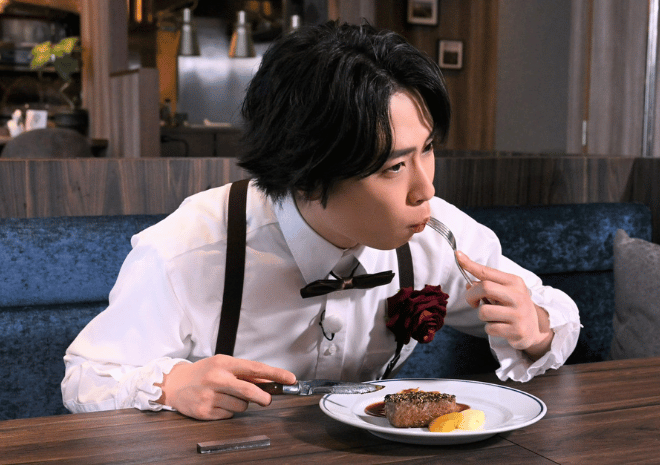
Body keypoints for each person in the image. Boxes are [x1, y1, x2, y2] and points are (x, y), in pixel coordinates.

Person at [62, 21, 580, 421]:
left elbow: (555, 312)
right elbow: (86, 377)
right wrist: (173, 385)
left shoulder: (436, 232)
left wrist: (534, 328)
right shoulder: (189, 250)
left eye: (428, 150)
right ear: (310, 172)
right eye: (394, 167)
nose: (425, 189)